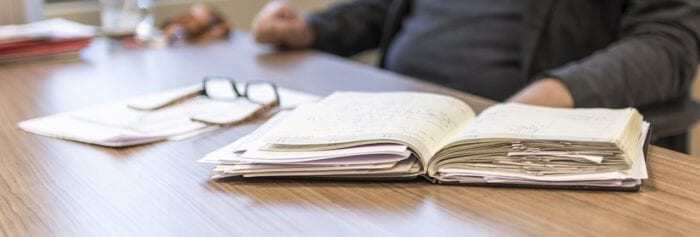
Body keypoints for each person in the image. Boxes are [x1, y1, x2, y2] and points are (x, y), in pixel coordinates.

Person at [251, 0, 700, 108]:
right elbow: (388, 8)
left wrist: (558, 92)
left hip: (519, 144)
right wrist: (311, 29)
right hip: (397, 118)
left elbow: (667, 44)